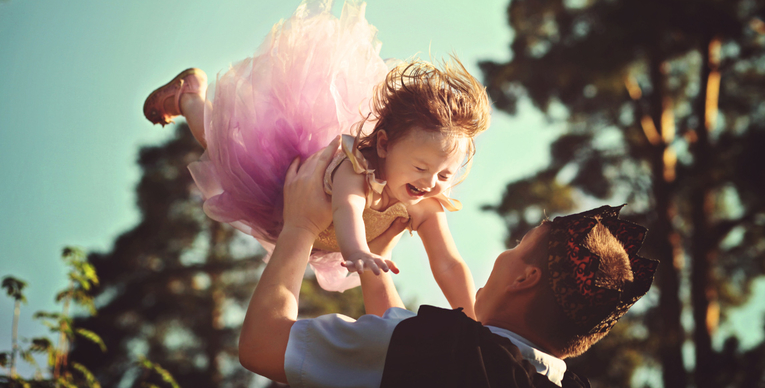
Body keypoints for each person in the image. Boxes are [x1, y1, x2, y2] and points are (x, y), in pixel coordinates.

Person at [142, 0, 491, 317]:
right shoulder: (357, 170)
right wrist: (357, 251)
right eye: (421, 167)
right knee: (221, 144)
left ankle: (189, 99)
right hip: (284, 183)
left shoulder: (425, 202)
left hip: (313, 233)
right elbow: (347, 208)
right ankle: (190, 97)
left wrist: (475, 319)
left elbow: (448, 262)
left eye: (444, 175)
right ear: (384, 146)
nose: (430, 182)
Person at [238, 137, 659, 388]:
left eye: (518, 246)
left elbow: (263, 346)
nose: (503, 254)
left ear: (525, 278)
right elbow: (403, 352)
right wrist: (377, 261)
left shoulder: (446, 348)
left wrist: (300, 226)